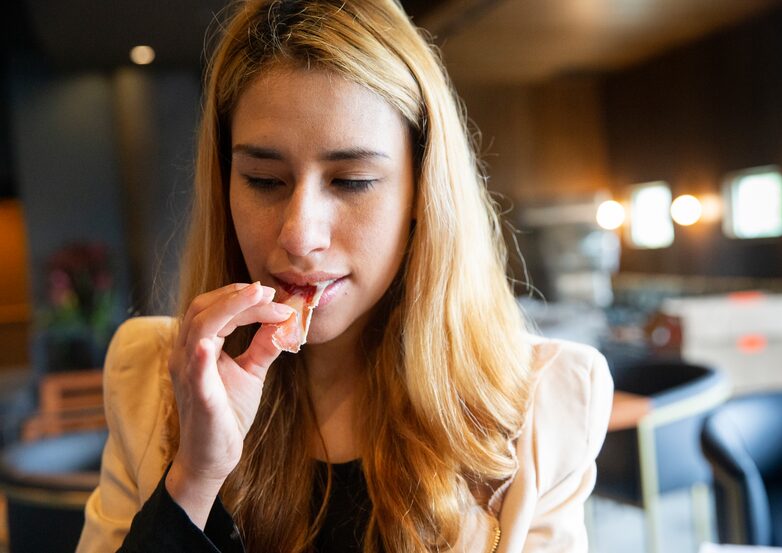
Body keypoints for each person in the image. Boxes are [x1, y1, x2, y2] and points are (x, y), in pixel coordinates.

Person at [76, 0, 613, 551]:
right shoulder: (148, 376)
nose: (299, 234)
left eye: (352, 180)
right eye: (263, 180)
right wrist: (193, 480)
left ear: (421, 194)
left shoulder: (547, 402)